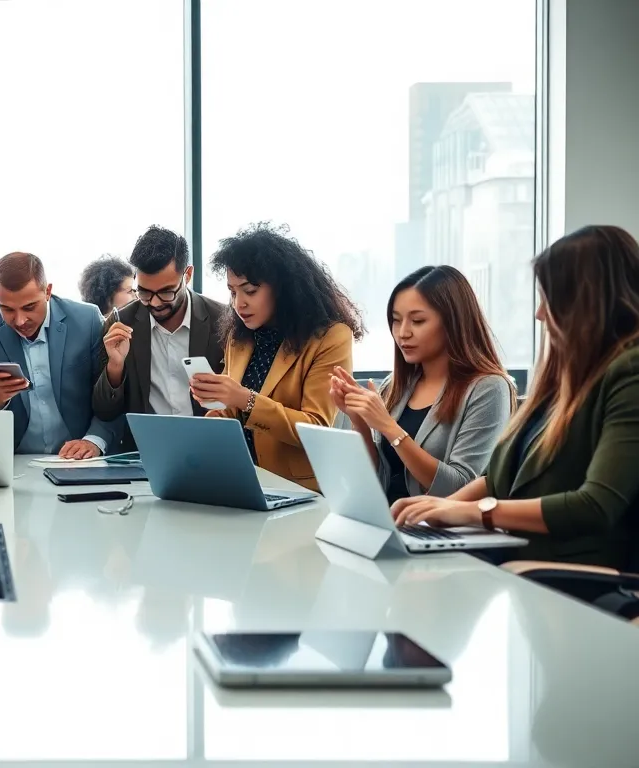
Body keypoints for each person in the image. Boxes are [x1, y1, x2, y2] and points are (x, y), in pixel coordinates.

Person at [393, 225, 639, 569]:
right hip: (516, 557)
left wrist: (470, 512)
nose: (539, 313)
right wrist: (433, 516)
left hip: (573, 573)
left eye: (549, 298)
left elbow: (595, 506)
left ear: (588, 300)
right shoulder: (564, 377)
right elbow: (496, 479)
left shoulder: (629, 372)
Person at [190, 223, 363, 491]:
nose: (239, 304)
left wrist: (244, 399)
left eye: (250, 291)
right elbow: (232, 416)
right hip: (239, 479)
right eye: (233, 292)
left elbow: (316, 427)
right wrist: (214, 411)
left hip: (296, 489)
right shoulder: (239, 337)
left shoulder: (331, 337)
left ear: (283, 287)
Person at [332, 266, 515, 502]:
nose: (403, 333)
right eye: (396, 321)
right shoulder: (397, 385)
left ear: (453, 322)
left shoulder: (489, 388)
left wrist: (390, 428)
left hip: (438, 529)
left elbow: (460, 487)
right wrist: (360, 422)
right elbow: (379, 480)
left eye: (417, 321)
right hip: (389, 517)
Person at [0, 252, 121, 458]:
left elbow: (111, 396)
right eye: (6, 309)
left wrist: (94, 440)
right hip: (15, 460)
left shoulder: (87, 320)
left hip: (79, 459)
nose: (20, 320)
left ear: (48, 291)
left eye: (29, 307)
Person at [93, 225, 228, 451]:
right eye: (144, 292)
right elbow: (104, 412)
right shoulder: (119, 323)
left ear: (188, 275)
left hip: (211, 449)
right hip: (145, 454)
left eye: (166, 292)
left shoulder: (222, 321)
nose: (154, 303)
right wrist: (115, 367)